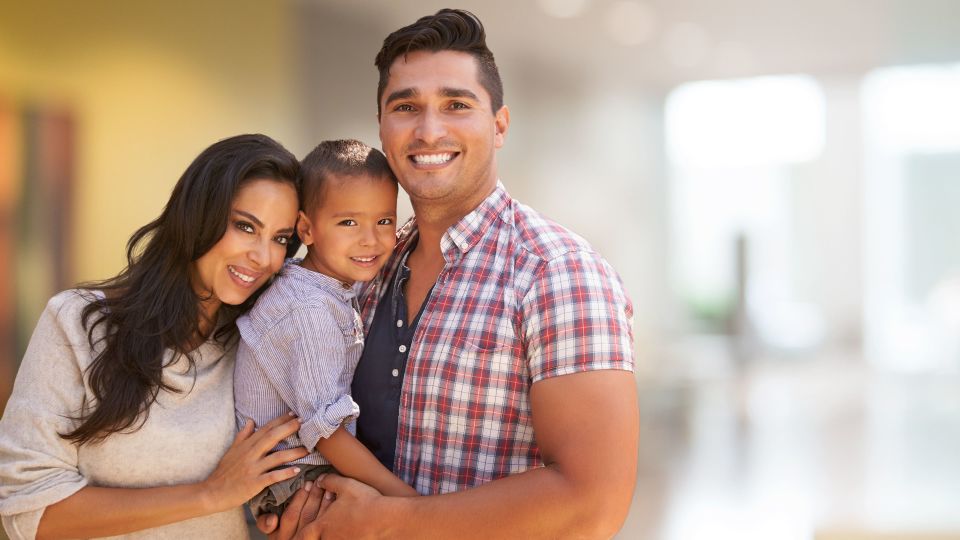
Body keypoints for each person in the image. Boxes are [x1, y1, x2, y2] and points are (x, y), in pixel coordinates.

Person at [262, 8, 640, 539]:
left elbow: (591, 505)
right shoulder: (364, 269)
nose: (429, 129)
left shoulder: (558, 273)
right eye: (406, 106)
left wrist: (390, 523)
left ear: (499, 125)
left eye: (456, 104)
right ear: (382, 127)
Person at [0, 134, 310, 539]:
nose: (264, 257)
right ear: (198, 215)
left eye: (281, 239)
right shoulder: (77, 323)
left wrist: (278, 512)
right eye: (245, 226)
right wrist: (209, 495)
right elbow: (29, 510)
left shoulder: (257, 345)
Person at [233, 139, 417, 519]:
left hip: (304, 469)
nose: (370, 238)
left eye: (383, 221)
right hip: (295, 480)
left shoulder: (320, 284)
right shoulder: (309, 309)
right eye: (348, 222)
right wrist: (409, 505)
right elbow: (326, 432)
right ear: (307, 228)